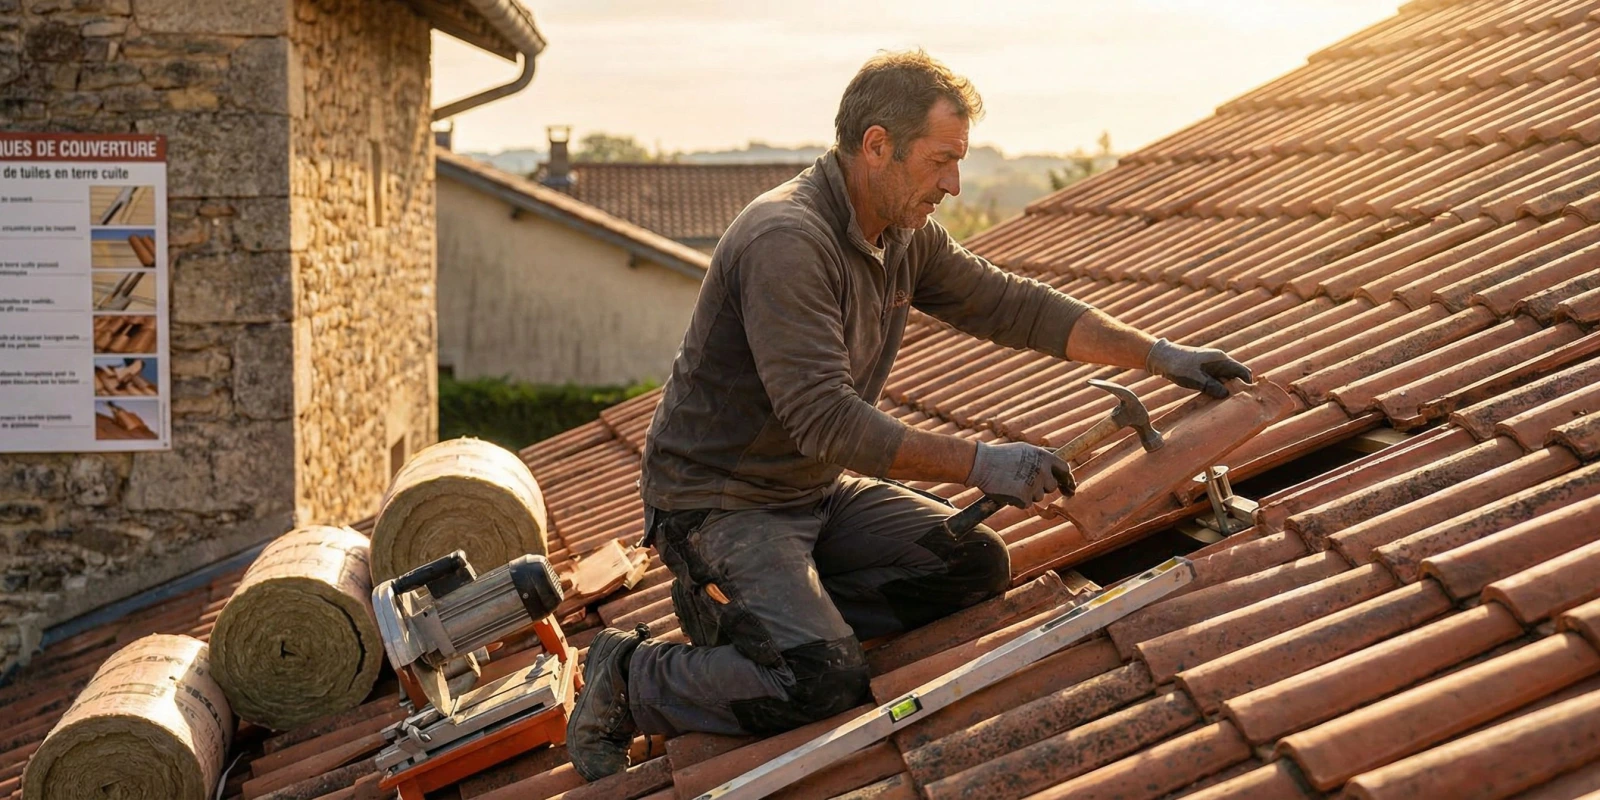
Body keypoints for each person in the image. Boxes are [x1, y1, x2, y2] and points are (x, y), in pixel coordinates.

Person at [566, 50, 1250, 780]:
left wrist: (1159, 354)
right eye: (941, 161)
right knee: (822, 678)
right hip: (719, 505)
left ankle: (757, 621)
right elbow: (827, 421)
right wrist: (985, 462)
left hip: (812, 494)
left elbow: (1013, 305)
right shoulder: (788, 240)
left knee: (970, 566)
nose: (954, 184)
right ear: (876, 146)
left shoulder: (903, 234)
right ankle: (634, 675)